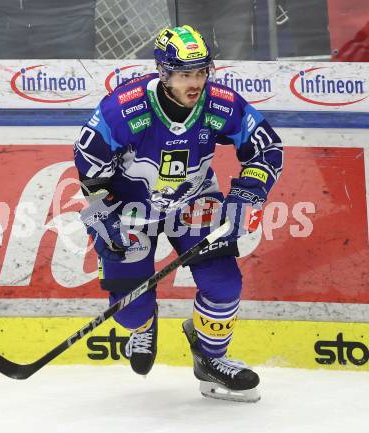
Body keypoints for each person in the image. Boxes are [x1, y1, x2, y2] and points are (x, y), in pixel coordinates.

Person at [74, 25, 283, 402]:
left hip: (194, 201)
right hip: (129, 210)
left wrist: (248, 194)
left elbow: (266, 149)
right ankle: (143, 325)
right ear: (164, 73)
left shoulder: (220, 103)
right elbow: (90, 169)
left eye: (202, 72)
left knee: (223, 285)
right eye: (186, 74)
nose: (196, 82)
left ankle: (210, 360)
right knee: (130, 312)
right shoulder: (125, 108)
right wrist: (103, 216)